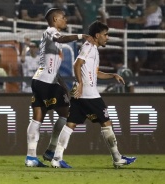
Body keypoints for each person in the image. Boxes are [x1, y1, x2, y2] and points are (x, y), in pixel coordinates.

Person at [50, 21, 137, 169]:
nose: (107, 37)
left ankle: (57, 158)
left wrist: (112, 75)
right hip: (89, 94)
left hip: (81, 95)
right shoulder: (89, 47)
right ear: (97, 35)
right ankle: (117, 158)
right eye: (105, 34)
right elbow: (76, 64)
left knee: (70, 125)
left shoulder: (93, 49)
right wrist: (81, 83)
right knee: (106, 123)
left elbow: (94, 73)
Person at [25, 8, 93, 167]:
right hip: (46, 82)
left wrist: (63, 87)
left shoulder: (51, 39)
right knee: (68, 115)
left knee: (38, 118)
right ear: (55, 19)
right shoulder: (50, 32)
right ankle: (53, 151)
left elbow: (53, 68)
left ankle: (31, 157)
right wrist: (81, 36)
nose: (66, 20)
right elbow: (61, 39)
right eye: (63, 17)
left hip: (41, 80)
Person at [122, 0, 147, 76]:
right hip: (130, 37)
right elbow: (128, 21)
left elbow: (144, 21)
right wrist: (138, 19)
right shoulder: (125, 9)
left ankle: (136, 73)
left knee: (143, 57)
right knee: (130, 59)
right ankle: (130, 78)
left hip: (140, 37)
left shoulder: (140, 8)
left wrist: (134, 20)